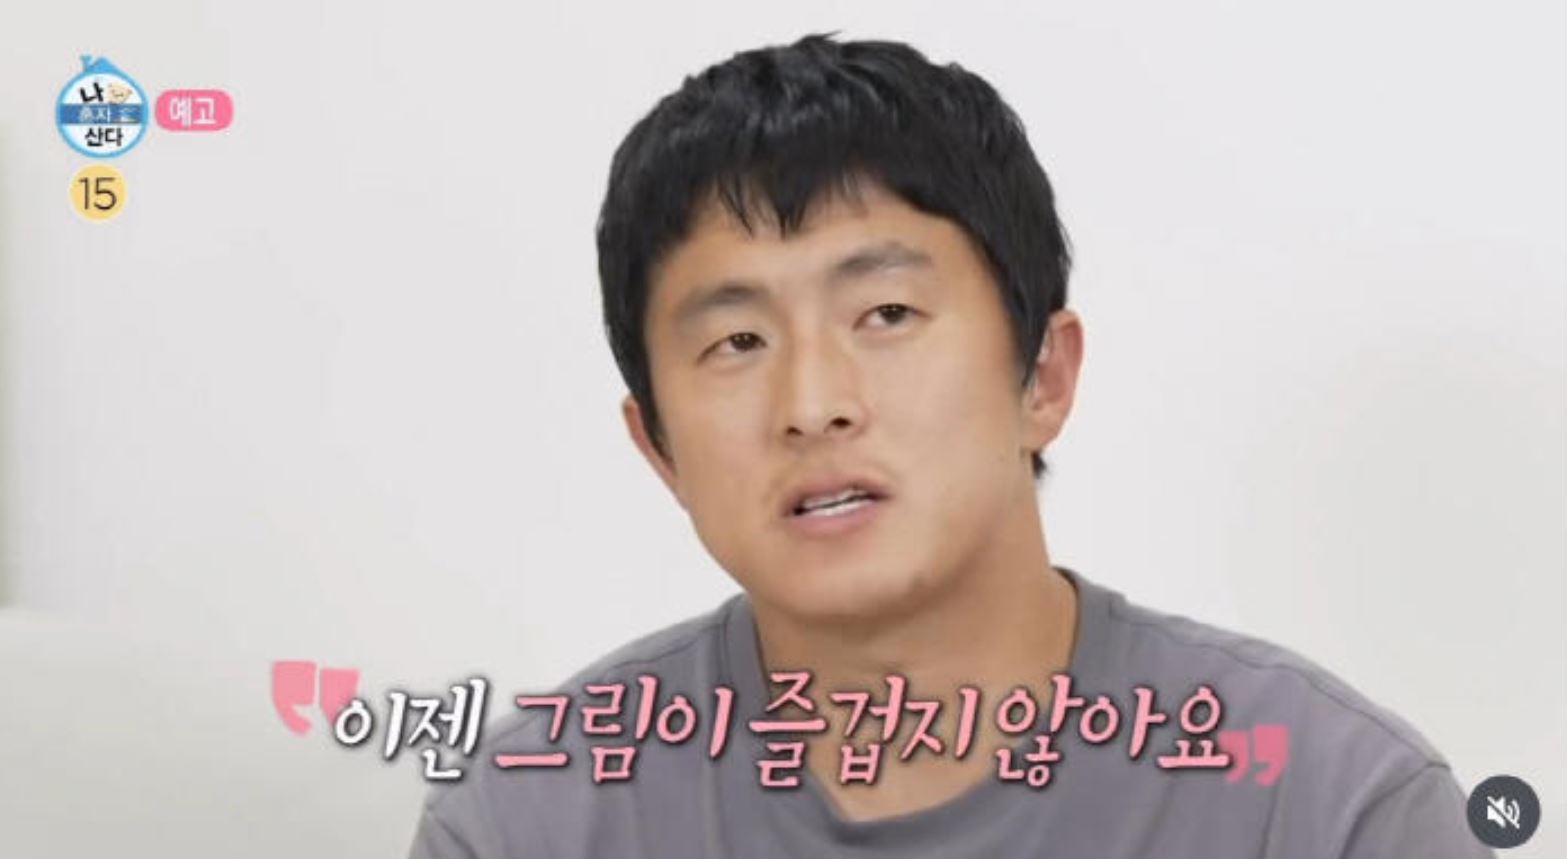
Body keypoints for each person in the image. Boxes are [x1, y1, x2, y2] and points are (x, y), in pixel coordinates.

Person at [410, 33, 1490, 858]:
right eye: (737, 341)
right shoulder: (530, 820)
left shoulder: (1329, 806)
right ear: (658, 448)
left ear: (1042, 378)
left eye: (885, 314)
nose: (813, 404)